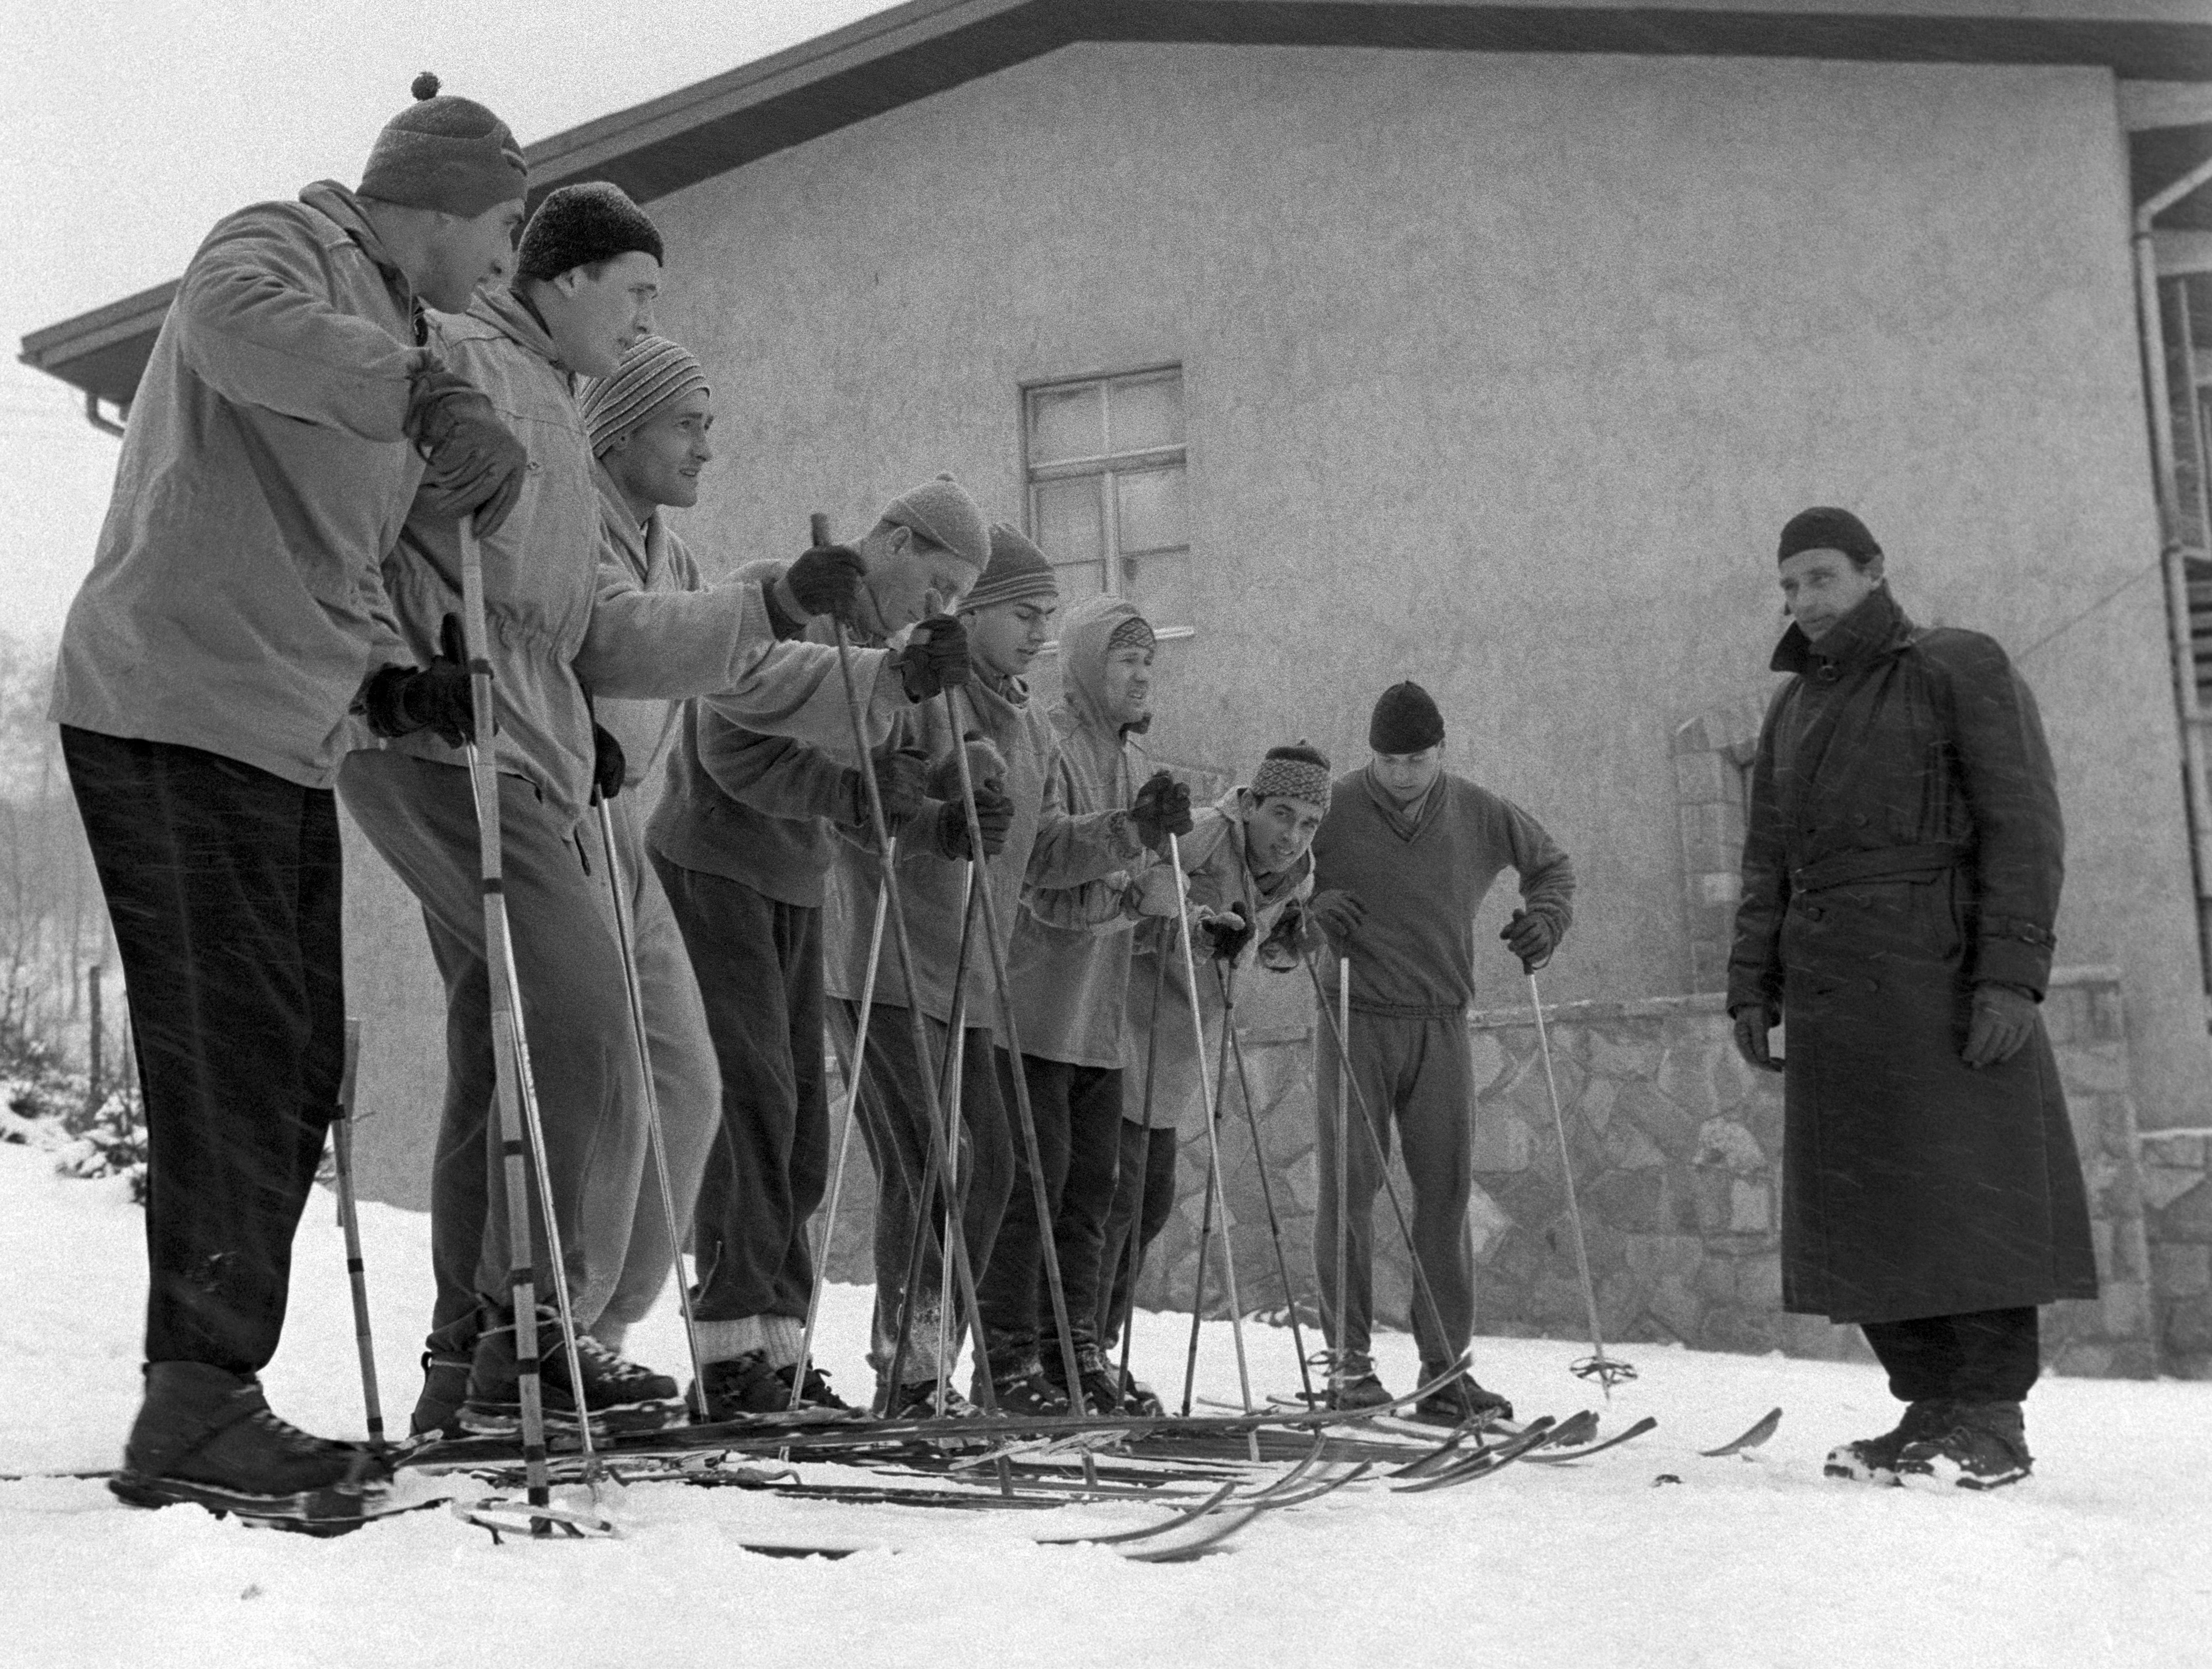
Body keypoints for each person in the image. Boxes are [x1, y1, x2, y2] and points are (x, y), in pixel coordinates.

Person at [339, 187, 965, 1437]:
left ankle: (546, 1342)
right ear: (570, 288)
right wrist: (394, 679)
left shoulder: (629, 515)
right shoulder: (485, 374)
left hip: (562, 783)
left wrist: (861, 665)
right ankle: (536, 1339)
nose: (703, 445)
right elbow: (537, 616)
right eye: (635, 301)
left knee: (631, 1074)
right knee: (590, 1051)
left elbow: (654, 650)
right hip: (490, 763)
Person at [48, 75, 529, 1523]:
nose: (506, 257)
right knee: (234, 1051)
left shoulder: (412, 332)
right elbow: (232, 336)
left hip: (279, 723)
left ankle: (213, 1389)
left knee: (300, 1053)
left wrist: (401, 682)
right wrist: (421, 392)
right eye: (504, 227)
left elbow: (335, 555)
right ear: (437, 208)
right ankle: (196, 1395)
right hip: (168, 699)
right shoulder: (276, 250)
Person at [1726, 507, 2095, 1491]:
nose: (1803, 601)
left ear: (1874, 571)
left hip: (1940, 978)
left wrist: (2011, 974)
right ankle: (1929, 1407)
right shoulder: (1790, 709)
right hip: (1837, 996)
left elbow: (2025, 825)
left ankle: (1990, 1421)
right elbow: (1768, 857)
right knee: (1878, 1207)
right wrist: (1750, 984)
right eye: (1789, 585)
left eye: (1821, 578)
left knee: (1965, 1201)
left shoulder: (1954, 665)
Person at [646, 474, 993, 1418]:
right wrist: (864, 788)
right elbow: (734, 752)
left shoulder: (887, 650)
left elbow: (899, 776)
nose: (942, 605)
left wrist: (949, 808)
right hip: (712, 866)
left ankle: (778, 1346)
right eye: (940, 580)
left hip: (798, 884)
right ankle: (727, 1353)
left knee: (799, 1121)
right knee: (752, 1105)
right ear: (893, 540)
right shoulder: (785, 591)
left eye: (960, 595)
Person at [823, 527, 1186, 1417]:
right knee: (937, 1164)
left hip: (971, 985)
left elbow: (1042, 852)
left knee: (986, 1176)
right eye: (1024, 615)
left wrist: (1131, 830)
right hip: (895, 965)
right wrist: (939, 805)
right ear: (974, 610)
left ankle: (933, 1360)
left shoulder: (1019, 724)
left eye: (1047, 618)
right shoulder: (927, 689)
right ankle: (909, 1376)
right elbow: (862, 800)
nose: (1038, 634)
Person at [1305, 682, 1576, 1424]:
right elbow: (1269, 876)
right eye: (1388, 760)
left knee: (1445, 1193)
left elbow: (1551, 867)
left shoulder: (1479, 811)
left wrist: (1544, 924)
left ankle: (1443, 1369)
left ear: (1440, 751)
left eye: (1416, 759)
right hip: (1352, 1014)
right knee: (1349, 1193)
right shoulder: (1329, 809)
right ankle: (1347, 1365)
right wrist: (1309, 909)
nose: (1400, 774)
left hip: (1440, 1018)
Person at [1101, 742, 1332, 1411]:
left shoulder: (1298, 873)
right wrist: (1197, 931)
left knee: (1145, 1205)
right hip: (1124, 1024)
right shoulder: (1200, 835)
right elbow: (1130, 899)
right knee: (1114, 1204)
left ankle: (1095, 1351)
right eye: (1282, 814)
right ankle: (1074, 1353)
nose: (1292, 836)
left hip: (1179, 1046)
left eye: (1309, 823)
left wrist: (1287, 941)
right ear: (1251, 803)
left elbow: (1266, 945)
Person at [976, 595, 1163, 1415]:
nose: (1140, 675)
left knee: (1094, 1192)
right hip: (1031, 1008)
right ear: (1088, 663)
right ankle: (1007, 1353)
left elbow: (1129, 878)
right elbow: (1040, 871)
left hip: (1096, 1021)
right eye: (1125, 659)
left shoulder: (1129, 761)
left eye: (1148, 662)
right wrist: (1127, 875)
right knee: (1031, 1185)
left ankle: (1071, 1350)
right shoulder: (1046, 737)